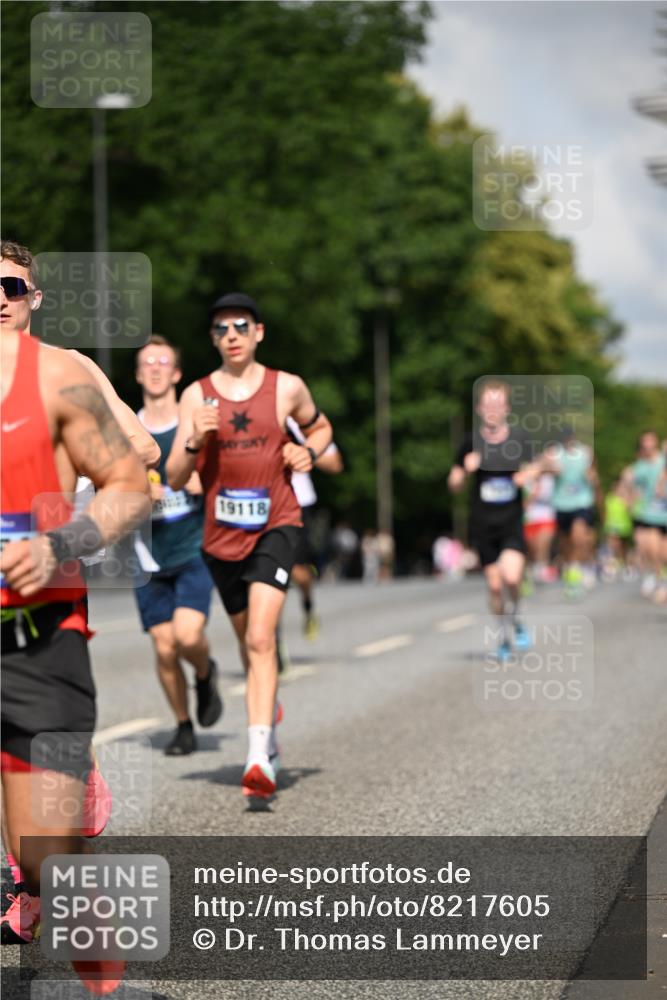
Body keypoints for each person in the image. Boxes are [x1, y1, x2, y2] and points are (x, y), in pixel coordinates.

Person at [1, 246, 150, 993]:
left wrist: (61, 539)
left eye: (9, 285)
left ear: (33, 294)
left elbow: (132, 476)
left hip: (35, 636)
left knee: (41, 861)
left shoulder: (61, 373)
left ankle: (103, 973)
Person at [166, 293, 332, 801]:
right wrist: (194, 440)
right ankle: (269, 721)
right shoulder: (196, 396)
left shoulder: (287, 388)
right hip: (220, 538)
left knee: (261, 639)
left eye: (240, 325)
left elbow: (321, 428)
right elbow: (174, 475)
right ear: (213, 339)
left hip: (277, 525)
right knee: (246, 640)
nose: (231, 335)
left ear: (258, 332)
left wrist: (307, 451)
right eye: (220, 329)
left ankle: (258, 753)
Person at [134, 335, 222, 755]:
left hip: (192, 548)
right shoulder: (127, 430)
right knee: (164, 645)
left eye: (162, 361)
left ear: (176, 373)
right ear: (138, 374)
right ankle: (183, 725)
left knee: (187, 637)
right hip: (147, 555)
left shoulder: (194, 427)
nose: (154, 367)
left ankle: (205, 674)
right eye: (146, 362)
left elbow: (221, 477)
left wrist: (200, 480)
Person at [448, 380, 534, 662]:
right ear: (479, 409)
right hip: (483, 525)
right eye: (488, 404)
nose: (493, 409)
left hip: (511, 522)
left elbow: (538, 471)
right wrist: (464, 470)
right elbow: (454, 484)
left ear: (507, 409)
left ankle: (517, 617)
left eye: (498, 404)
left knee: (512, 578)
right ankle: (503, 636)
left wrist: (528, 477)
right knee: (494, 586)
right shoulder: (471, 442)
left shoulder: (519, 440)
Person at [286, 414, 343, 639]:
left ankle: (308, 607)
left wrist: (304, 452)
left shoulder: (300, 425)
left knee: (299, 573)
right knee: (265, 577)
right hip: (259, 505)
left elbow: (335, 463)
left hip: (297, 505)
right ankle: (271, 641)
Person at [543, 427, 599, 596]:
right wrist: (550, 468)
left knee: (578, 536)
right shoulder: (554, 453)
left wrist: (592, 477)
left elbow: (593, 473)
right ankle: (570, 569)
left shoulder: (585, 452)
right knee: (565, 543)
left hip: (582, 501)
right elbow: (543, 468)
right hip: (561, 504)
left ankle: (577, 571)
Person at [623, 430, 666, 599]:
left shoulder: (663, 460)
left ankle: (659, 576)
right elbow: (628, 485)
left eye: (651, 442)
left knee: (663, 552)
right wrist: (630, 500)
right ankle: (657, 577)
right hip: (648, 513)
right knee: (650, 547)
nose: (648, 446)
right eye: (645, 443)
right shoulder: (638, 467)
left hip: (665, 513)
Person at [523, 472, 557, 584]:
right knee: (533, 549)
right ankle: (532, 568)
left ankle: (542, 568)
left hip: (547, 516)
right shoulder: (526, 478)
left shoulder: (550, 478)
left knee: (542, 544)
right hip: (529, 517)